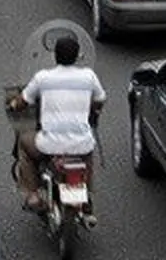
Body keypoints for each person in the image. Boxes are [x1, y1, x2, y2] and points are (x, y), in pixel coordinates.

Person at [8, 36, 106, 217]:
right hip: (80, 144)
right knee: (87, 152)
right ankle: (86, 195)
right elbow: (100, 99)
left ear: (55, 56)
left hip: (49, 145)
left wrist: (14, 104)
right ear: (77, 56)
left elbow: (23, 100)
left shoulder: (43, 78)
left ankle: (33, 195)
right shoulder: (88, 76)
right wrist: (94, 109)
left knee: (24, 143)